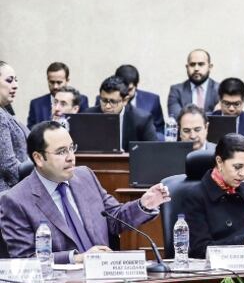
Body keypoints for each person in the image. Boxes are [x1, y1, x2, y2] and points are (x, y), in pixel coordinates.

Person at [0, 121, 170, 263]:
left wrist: (144, 204)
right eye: (61, 152)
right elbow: (25, 260)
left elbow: (114, 218)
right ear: (38, 158)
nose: (70, 157)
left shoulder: (84, 177)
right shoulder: (15, 201)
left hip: (104, 280)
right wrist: (77, 259)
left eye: (71, 148)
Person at [85, 76, 157, 149]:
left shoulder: (141, 119)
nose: (107, 106)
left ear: (125, 101)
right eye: (104, 100)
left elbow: (152, 150)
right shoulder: (88, 116)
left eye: (113, 102)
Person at [27, 62, 91, 128]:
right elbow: (30, 132)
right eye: (52, 82)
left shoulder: (82, 100)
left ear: (67, 80)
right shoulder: (36, 104)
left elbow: (84, 126)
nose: (55, 86)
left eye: (59, 82)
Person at [208, 78, 244, 146]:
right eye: (227, 103)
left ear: (243, 101)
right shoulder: (209, 121)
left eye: (236, 104)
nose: (231, 109)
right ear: (220, 100)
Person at [115, 64, 166, 139]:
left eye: (129, 89)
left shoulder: (152, 101)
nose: (125, 93)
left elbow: (160, 130)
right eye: (122, 89)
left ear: (136, 85)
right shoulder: (106, 100)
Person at [0, 61, 29, 192]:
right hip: (8, 194)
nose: (15, 85)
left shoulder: (5, 111)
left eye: (16, 80)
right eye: (9, 80)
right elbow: (8, 166)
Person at [167, 49, 219, 118]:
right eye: (192, 64)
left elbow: (221, 119)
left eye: (201, 64)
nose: (196, 68)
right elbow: (177, 118)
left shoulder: (220, 90)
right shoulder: (176, 90)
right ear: (187, 67)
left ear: (210, 67)